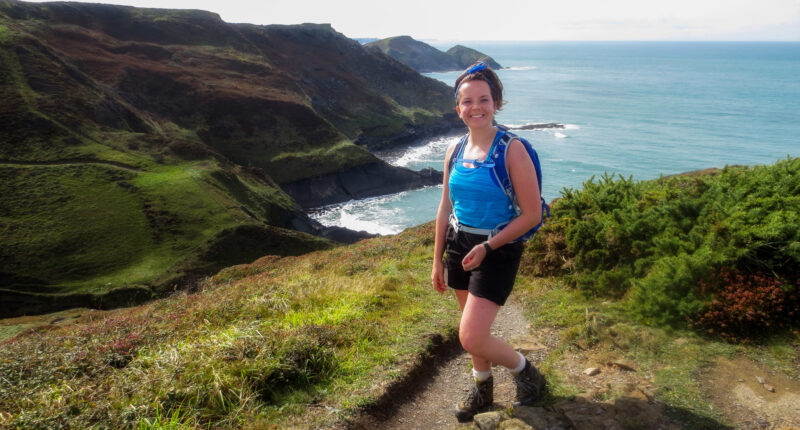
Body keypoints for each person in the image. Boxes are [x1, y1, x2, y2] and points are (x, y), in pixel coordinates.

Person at [430, 62, 546, 422]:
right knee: (470, 329)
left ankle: (527, 373)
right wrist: (437, 260)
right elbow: (445, 205)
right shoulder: (455, 149)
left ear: (496, 103)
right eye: (467, 101)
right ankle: (482, 387)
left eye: (484, 99)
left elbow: (532, 214)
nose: (475, 107)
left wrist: (489, 247)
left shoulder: (512, 150)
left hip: (497, 249)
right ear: (458, 108)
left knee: (470, 335)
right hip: (458, 243)